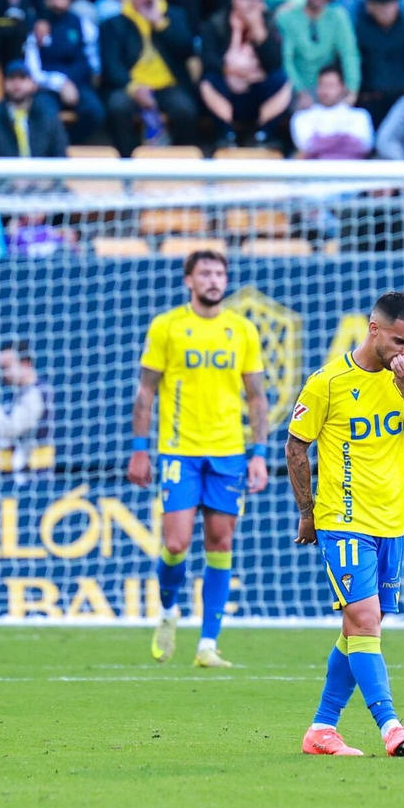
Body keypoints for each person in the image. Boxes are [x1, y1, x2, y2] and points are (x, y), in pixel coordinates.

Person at [287, 290, 404, 756]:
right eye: (398, 341)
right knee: (367, 620)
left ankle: (321, 729)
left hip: (391, 525)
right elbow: (296, 447)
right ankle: (390, 726)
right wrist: (308, 512)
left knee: (357, 629)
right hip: (344, 520)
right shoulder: (328, 382)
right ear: (374, 330)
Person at [127, 249, 268, 671]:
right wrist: (139, 449)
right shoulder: (167, 326)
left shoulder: (242, 330)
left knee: (221, 542)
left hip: (228, 452)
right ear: (189, 280)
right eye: (205, 273)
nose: (213, 280)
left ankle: (208, 644)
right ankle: (169, 609)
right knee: (175, 543)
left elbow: (257, 397)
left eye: (219, 273)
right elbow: (146, 391)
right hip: (179, 451)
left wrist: (259, 454)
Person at [101, 0, 200, 155]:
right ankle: (128, 159)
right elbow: (111, 65)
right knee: (118, 107)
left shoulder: (175, 16)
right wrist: (134, 87)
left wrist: (160, 24)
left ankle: (180, 160)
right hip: (131, 85)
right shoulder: (114, 24)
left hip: (168, 85)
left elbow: (186, 49)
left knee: (185, 109)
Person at [200, 0, 293, 146]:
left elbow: (275, 62)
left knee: (281, 80)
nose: (254, 4)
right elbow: (208, 58)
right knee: (208, 81)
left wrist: (258, 30)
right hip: (227, 88)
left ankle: (264, 135)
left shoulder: (269, 23)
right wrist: (231, 71)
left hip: (257, 88)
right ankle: (226, 135)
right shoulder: (217, 23)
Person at [23, 0, 102, 143]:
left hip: (77, 83)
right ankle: (53, 152)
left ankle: (69, 145)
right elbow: (32, 69)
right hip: (46, 86)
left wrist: (70, 82)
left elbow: (90, 61)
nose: (57, 2)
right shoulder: (36, 27)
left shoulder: (82, 24)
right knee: (44, 112)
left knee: (95, 111)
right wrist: (59, 83)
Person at [0, 340, 52, 486]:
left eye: (7, 367)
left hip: (35, 482)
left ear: (25, 364)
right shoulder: (15, 394)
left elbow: (10, 430)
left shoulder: (36, 394)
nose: (3, 374)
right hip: (15, 480)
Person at [278, 0, 361, 100]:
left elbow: (349, 53)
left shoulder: (338, 16)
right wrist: (300, 92)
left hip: (330, 87)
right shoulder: (287, 18)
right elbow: (286, 60)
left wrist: (352, 90)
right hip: (296, 87)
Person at [353, 0, 404, 126]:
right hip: (372, 99)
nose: (385, 10)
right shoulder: (359, 32)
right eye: (380, 5)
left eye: (389, 4)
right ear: (370, 6)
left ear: (397, 5)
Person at [0, 61, 69, 158]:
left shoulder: (48, 116)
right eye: (11, 78)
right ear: (4, 83)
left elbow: (60, 154)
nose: (17, 84)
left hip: (40, 170)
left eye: (22, 78)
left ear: (33, 84)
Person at [292, 62, 374, 157]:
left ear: (343, 87)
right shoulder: (302, 117)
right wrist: (344, 139)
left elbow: (365, 146)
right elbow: (306, 146)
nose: (325, 91)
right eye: (322, 85)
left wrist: (322, 141)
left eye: (331, 85)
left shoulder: (359, 116)